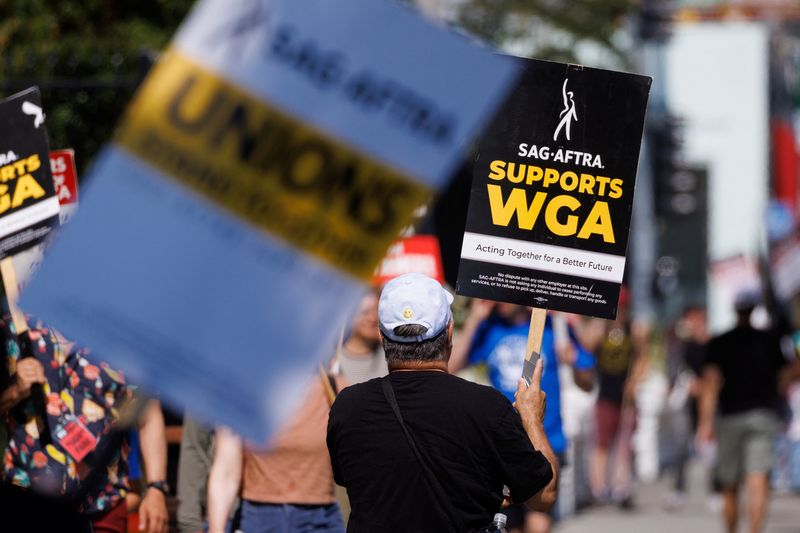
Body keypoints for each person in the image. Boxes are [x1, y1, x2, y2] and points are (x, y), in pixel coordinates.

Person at [327, 273, 558, 532]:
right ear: (449, 332)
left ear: (382, 337)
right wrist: (532, 418)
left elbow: (348, 480)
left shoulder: (347, 406)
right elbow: (544, 495)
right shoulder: (487, 407)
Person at [206, 291, 386, 533]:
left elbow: (364, 461)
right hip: (260, 520)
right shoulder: (241, 386)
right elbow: (225, 469)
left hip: (321, 520)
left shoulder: (332, 385)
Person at [0, 315, 169, 533]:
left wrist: (156, 488)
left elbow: (149, 413)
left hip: (102, 507)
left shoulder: (125, 335)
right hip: (26, 501)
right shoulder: (14, 329)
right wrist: (15, 390)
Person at [449, 301, 594, 533]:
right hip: (503, 443)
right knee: (509, 524)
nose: (500, 300)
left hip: (547, 439)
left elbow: (588, 383)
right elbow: (451, 365)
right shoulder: (491, 328)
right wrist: (475, 318)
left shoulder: (554, 326)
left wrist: (573, 360)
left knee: (539, 519)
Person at [697, 290, 792, 533]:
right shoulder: (769, 340)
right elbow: (785, 377)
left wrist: (705, 423)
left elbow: (710, 383)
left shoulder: (720, 342)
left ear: (735, 310)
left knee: (729, 482)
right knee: (758, 478)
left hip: (730, 417)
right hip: (762, 415)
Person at [583, 290, 648, 508]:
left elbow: (641, 358)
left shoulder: (634, 330)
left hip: (625, 395)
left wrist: (635, 381)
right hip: (605, 393)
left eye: (623, 309)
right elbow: (587, 348)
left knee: (624, 443)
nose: (620, 313)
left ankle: (622, 487)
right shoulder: (602, 327)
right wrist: (598, 329)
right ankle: (598, 487)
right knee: (601, 442)